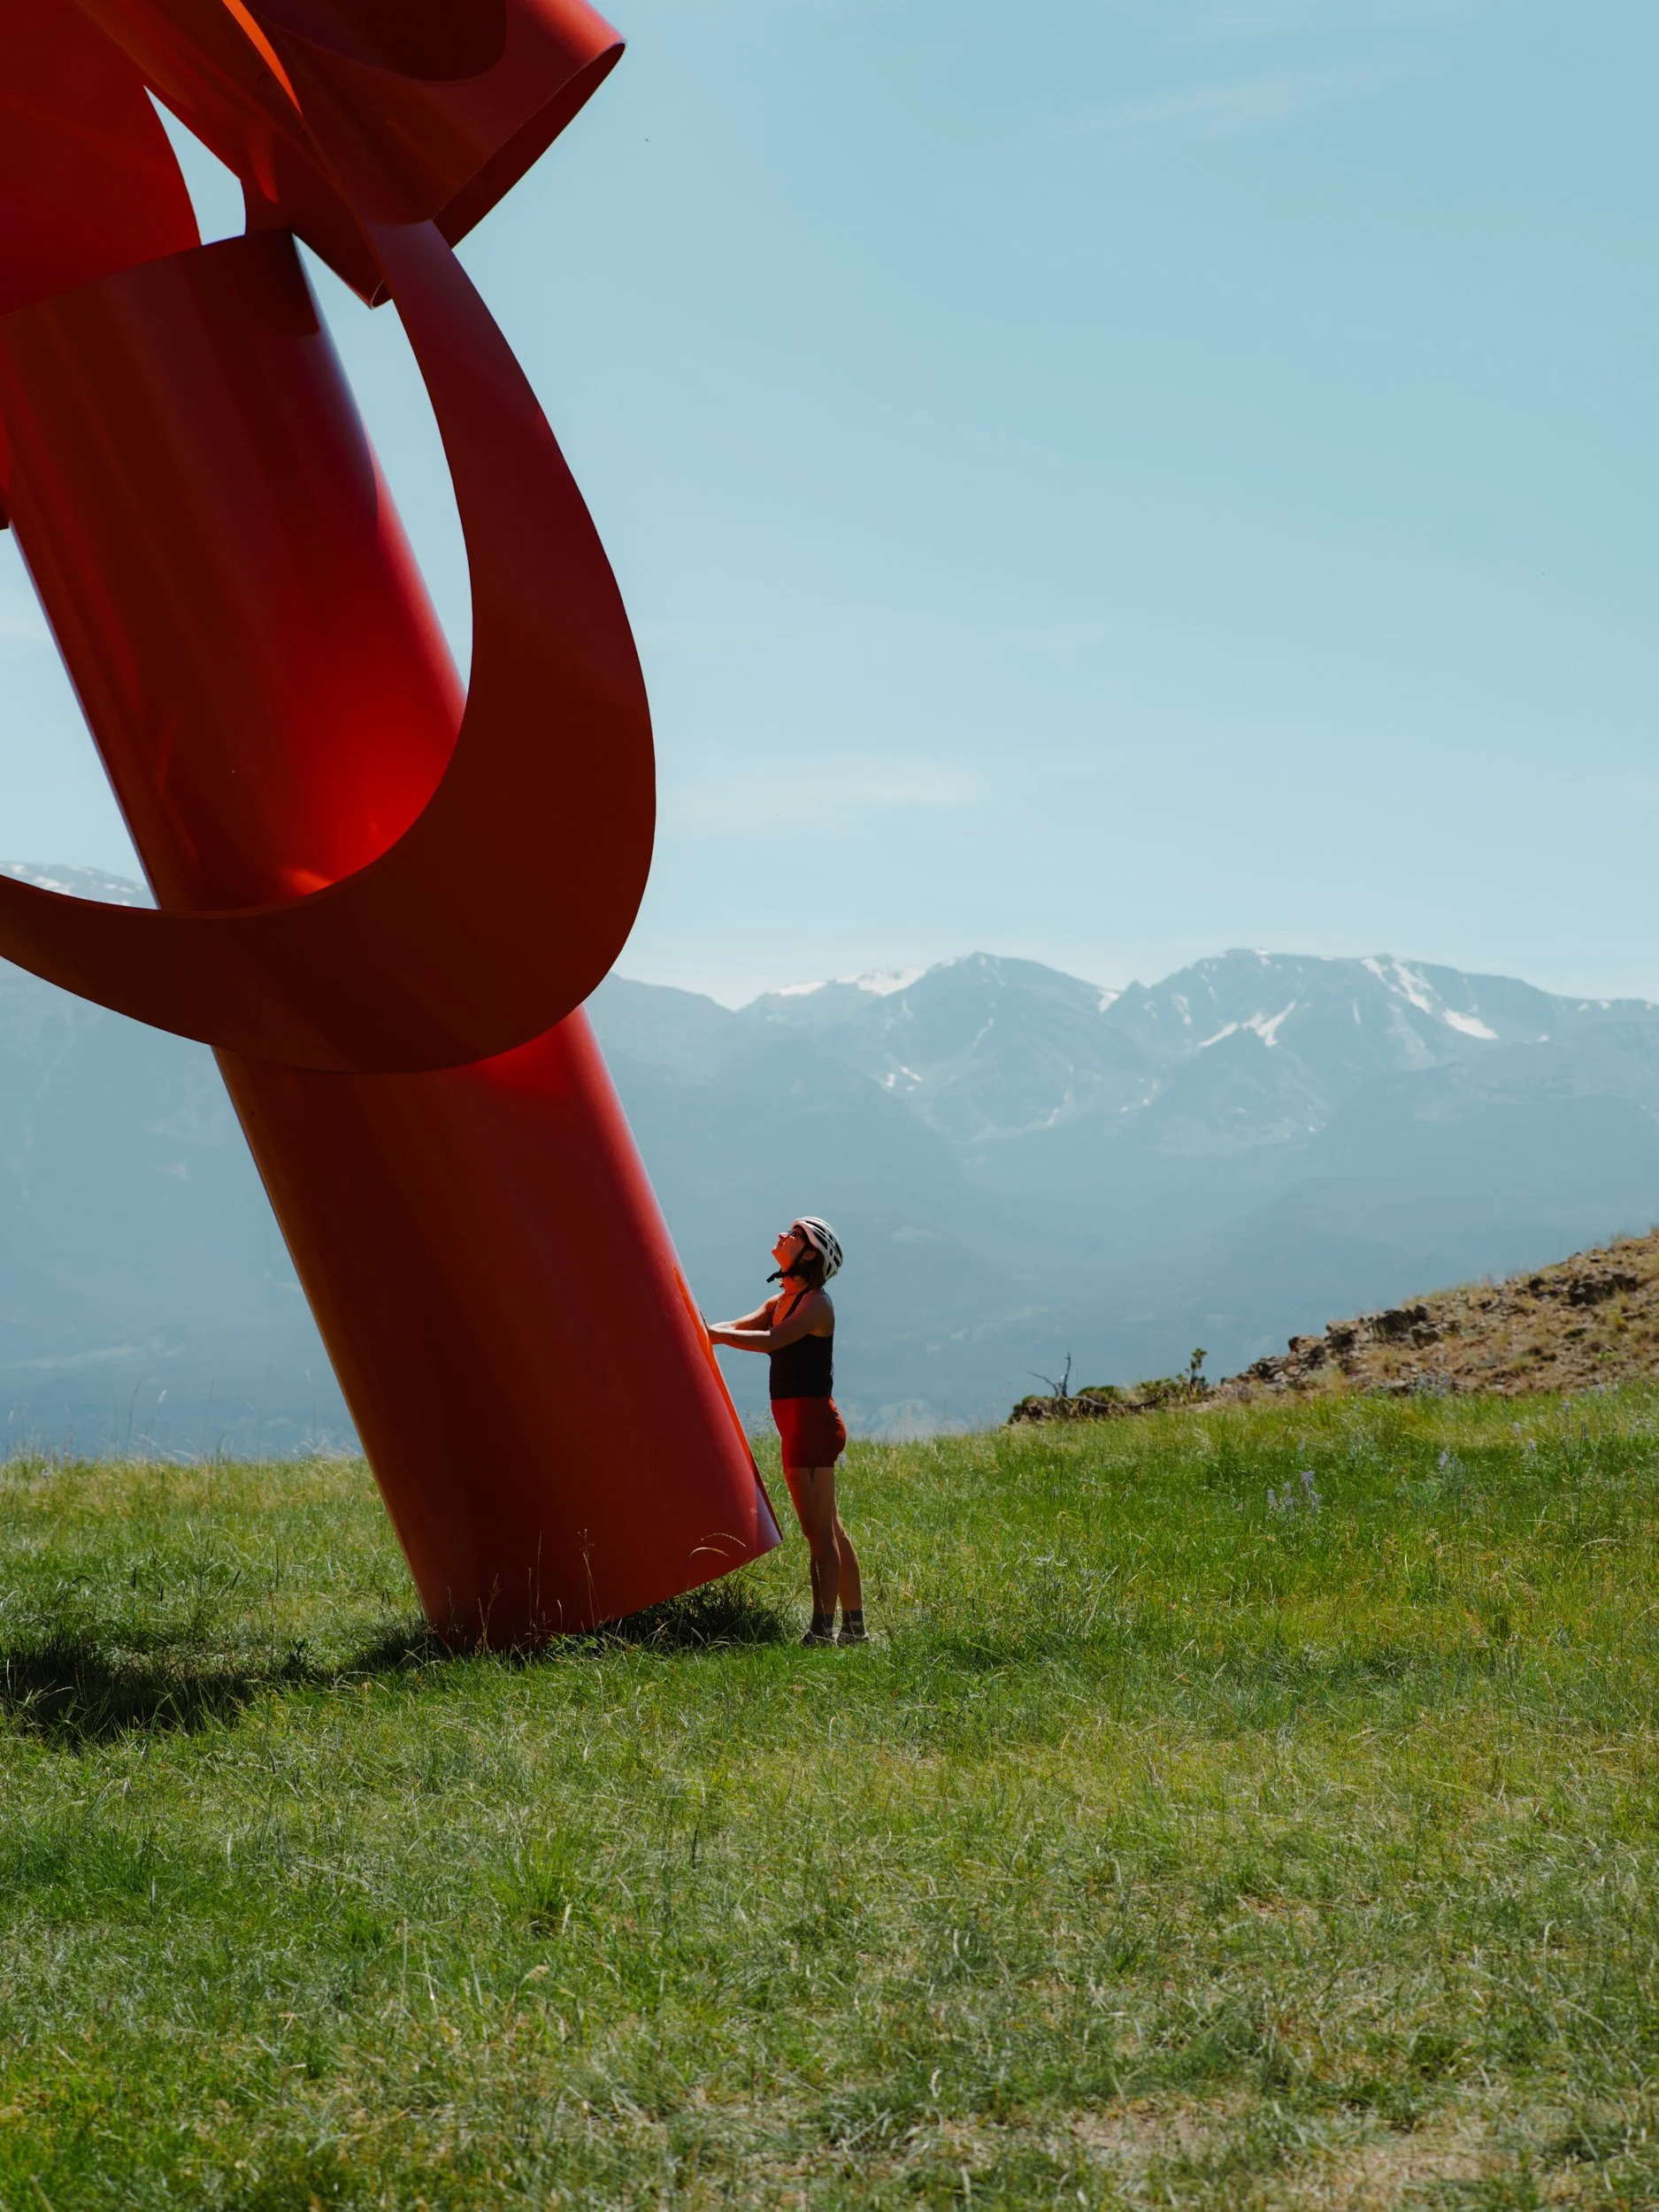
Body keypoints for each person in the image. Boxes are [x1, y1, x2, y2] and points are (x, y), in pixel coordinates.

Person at [707, 1217, 865, 1646]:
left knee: (818, 1532)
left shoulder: (816, 1304)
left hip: (812, 1426)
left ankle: (821, 1631)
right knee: (828, 1528)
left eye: (794, 1236)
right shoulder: (780, 1300)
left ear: (809, 1255)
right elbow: (739, 1327)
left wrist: (709, 1335)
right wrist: (703, 1330)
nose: (782, 1236)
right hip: (800, 1426)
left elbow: (772, 1341)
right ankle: (854, 1629)